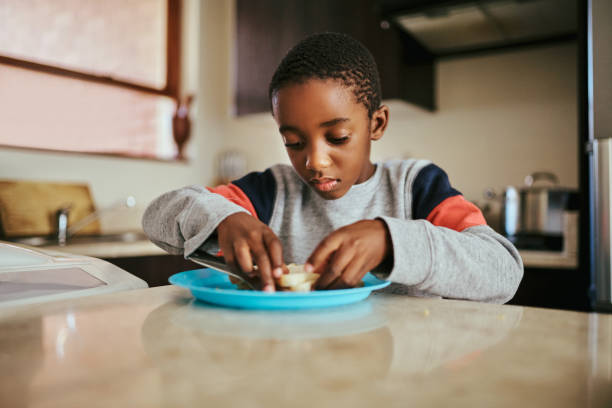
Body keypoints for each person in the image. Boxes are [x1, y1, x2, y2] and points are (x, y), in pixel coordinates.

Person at [142, 32, 523, 302]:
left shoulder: (416, 186)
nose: (314, 161)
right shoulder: (271, 191)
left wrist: (391, 241)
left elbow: (503, 272)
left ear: (377, 124)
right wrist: (223, 219)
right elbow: (157, 218)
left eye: (338, 137)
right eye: (293, 142)